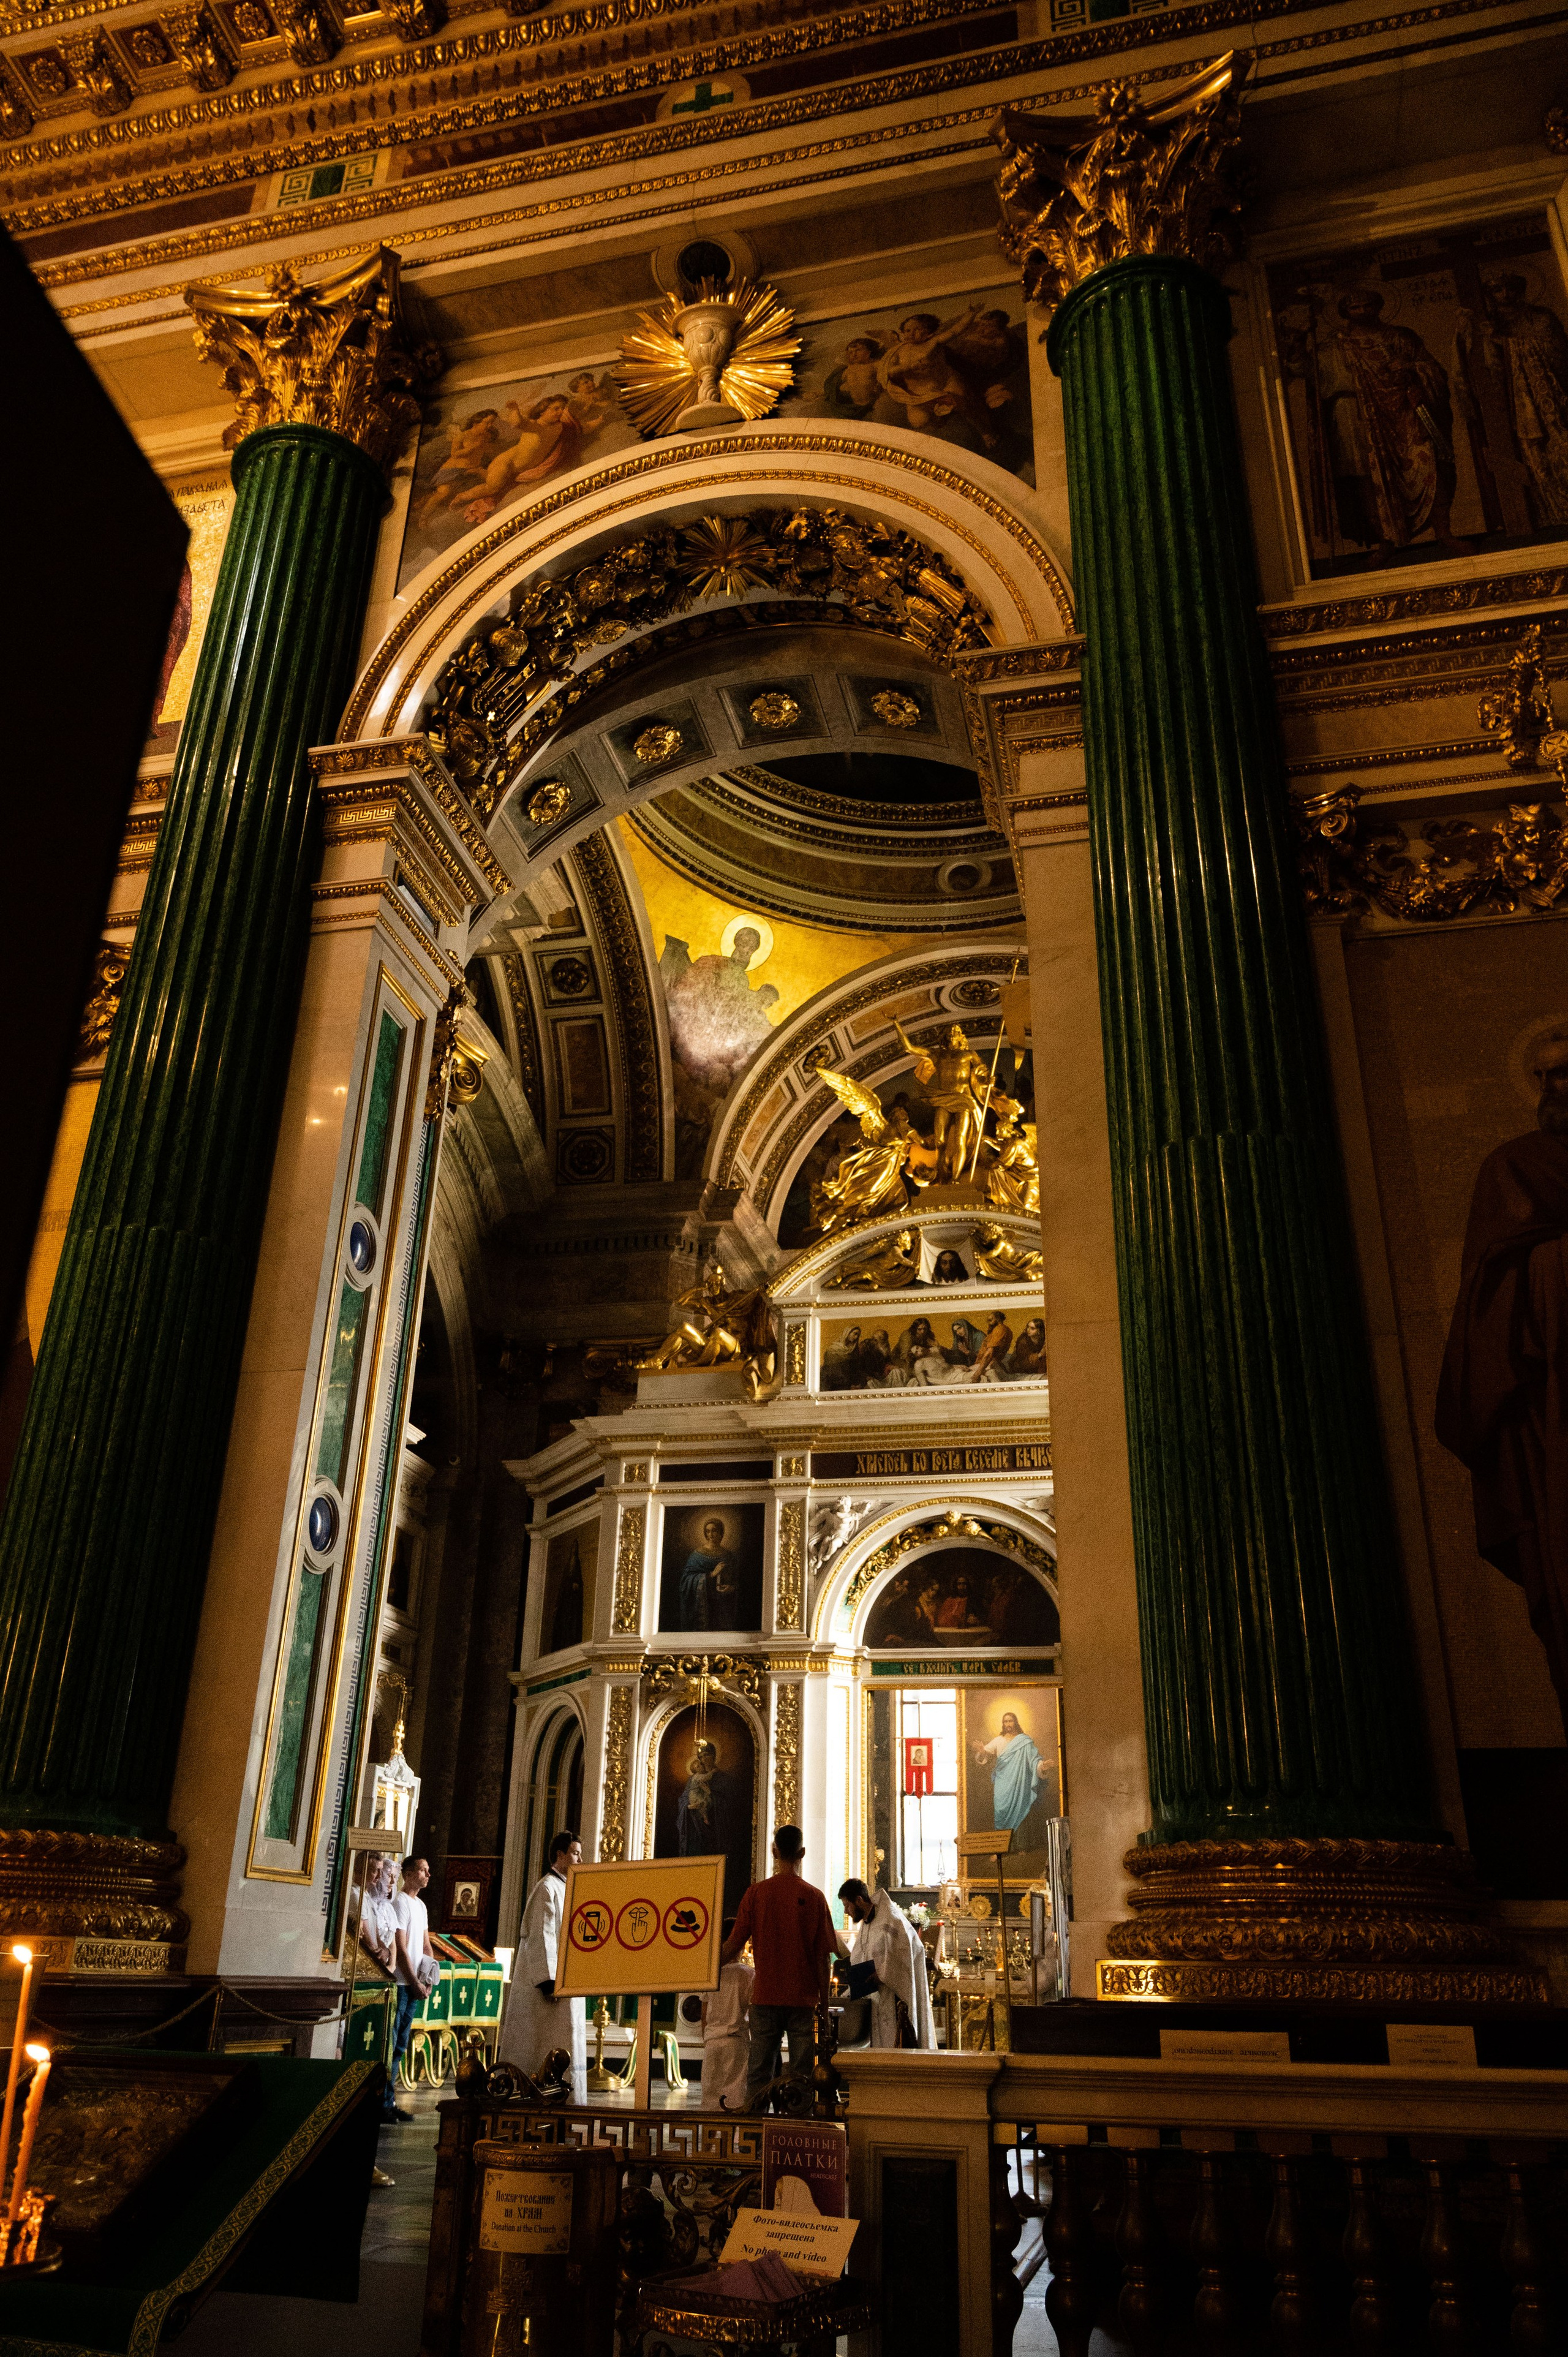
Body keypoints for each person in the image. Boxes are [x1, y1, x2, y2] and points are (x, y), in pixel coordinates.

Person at [1436, 1027, 1568, 1726]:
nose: (1552, 1089)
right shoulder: (1514, 1170)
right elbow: (1489, 1315)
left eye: (1565, 1073)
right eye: (1542, 1076)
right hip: (1554, 1410)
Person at [720, 1826, 842, 2110]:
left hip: (765, 1998)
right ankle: (795, 2133)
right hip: (802, 2001)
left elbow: (733, 1945)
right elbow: (823, 1960)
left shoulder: (756, 1893)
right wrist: (824, 2007)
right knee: (801, 2075)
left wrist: (703, 1967)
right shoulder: (814, 1897)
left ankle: (754, 2136)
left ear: (774, 1852)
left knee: (759, 2073)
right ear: (802, 1853)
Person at [499, 1828, 587, 2092]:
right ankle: (538, 2095)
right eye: (575, 1854)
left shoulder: (567, 1887)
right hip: (547, 1987)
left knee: (564, 2039)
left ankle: (565, 2097)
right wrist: (549, 1981)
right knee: (543, 2042)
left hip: (566, 1980)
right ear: (560, 1855)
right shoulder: (547, 1889)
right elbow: (543, 1936)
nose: (580, 1861)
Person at [838, 1879, 937, 2050]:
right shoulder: (868, 1924)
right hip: (875, 1998)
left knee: (896, 2046)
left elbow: (909, 1952)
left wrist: (883, 1973)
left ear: (859, 1900)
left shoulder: (890, 1920)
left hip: (895, 2000)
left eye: (847, 1905)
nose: (846, 1911)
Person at [388, 1855, 434, 2119]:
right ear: (408, 1873)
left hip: (415, 1984)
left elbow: (426, 1946)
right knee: (394, 2041)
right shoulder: (401, 1903)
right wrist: (415, 1982)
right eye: (423, 1870)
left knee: (402, 2043)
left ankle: (390, 2101)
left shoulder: (421, 1906)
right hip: (403, 1983)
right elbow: (401, 1947)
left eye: (428, 1871)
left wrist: (428, 1978)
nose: (428, 1875)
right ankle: (385, 2101)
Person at [973, 1711, 1049, 1836]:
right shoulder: (998, 1740)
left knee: (1020, 1809)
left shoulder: (1025, 1741)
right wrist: (982, 1752)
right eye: (1005, 1721)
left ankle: (1019, 1846)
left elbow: (1034, 1760)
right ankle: (1000, 1845)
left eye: (1010, 1721)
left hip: (1019, 1782)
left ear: (1015, 1722)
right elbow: (984, 1754)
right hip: (1002, 1783)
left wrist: (1043, 1766)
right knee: (1000, 1810)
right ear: (1003, 1724)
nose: (1008, 1724)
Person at [701, 1947, 754, 2109]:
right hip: (736, 2040)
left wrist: (707, 2037)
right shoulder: (749, 1974)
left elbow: (704, 2013)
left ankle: (710, 2132)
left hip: (712, 2041)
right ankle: (732, 2133)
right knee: (735, 2094)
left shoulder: (711, 1974)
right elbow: (754, 2012)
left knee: (710, 2094)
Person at [679, 1517, 736, 1630]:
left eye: (714, 1531)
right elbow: (685, 1581)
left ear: (721, 1532)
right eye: (708, 1531)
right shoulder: (696, 1556)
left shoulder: (729, 1555)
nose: (711, 1534)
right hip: (703, 1605)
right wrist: (712, 1574)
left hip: (723, 1606)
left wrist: (732, 1588)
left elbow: (738, 1580)